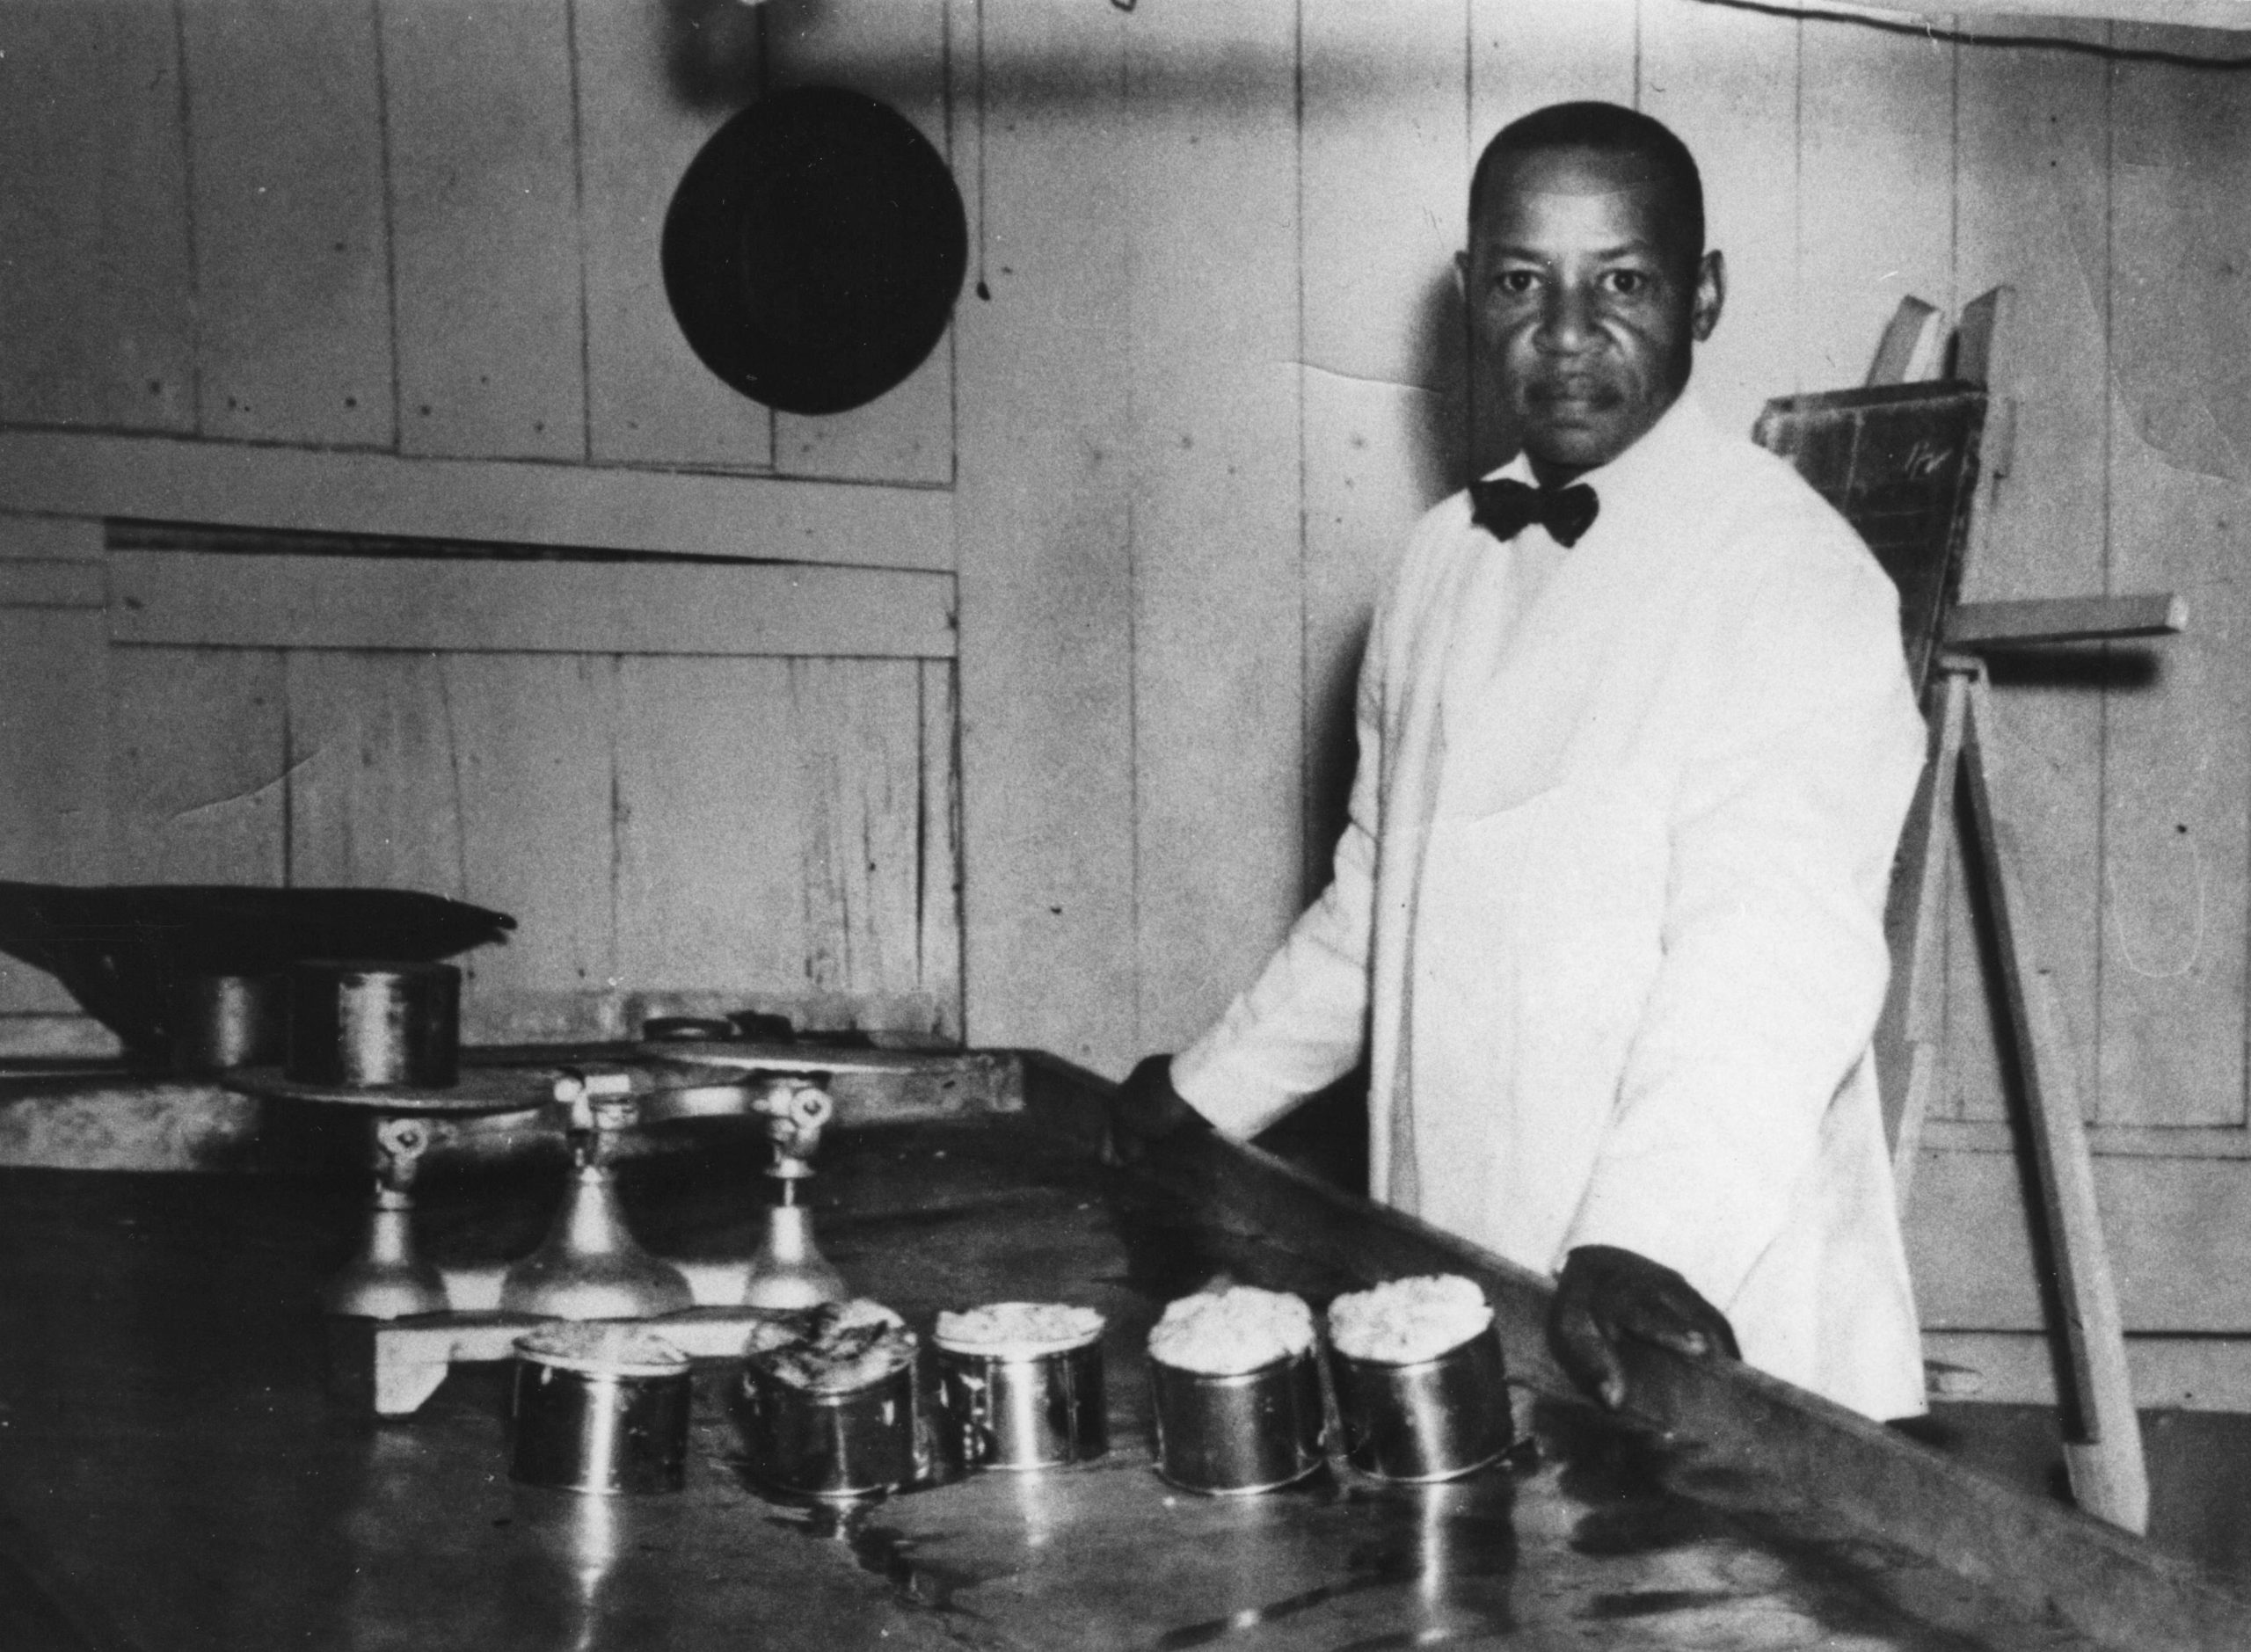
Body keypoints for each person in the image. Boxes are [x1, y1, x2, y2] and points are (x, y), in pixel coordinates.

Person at [1112, 101, 1930, 1423]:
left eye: (1623, 282)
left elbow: (1771, 960)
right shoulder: (1440, 560)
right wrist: (1204, 1090)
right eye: (1520, 283)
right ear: (1469, 298)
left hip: (1701, 1297)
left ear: (1704, 296)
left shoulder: (1791, 578)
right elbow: (1379, 905)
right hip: (1467, 1263)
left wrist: (1648, 1239)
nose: (1565, 332)